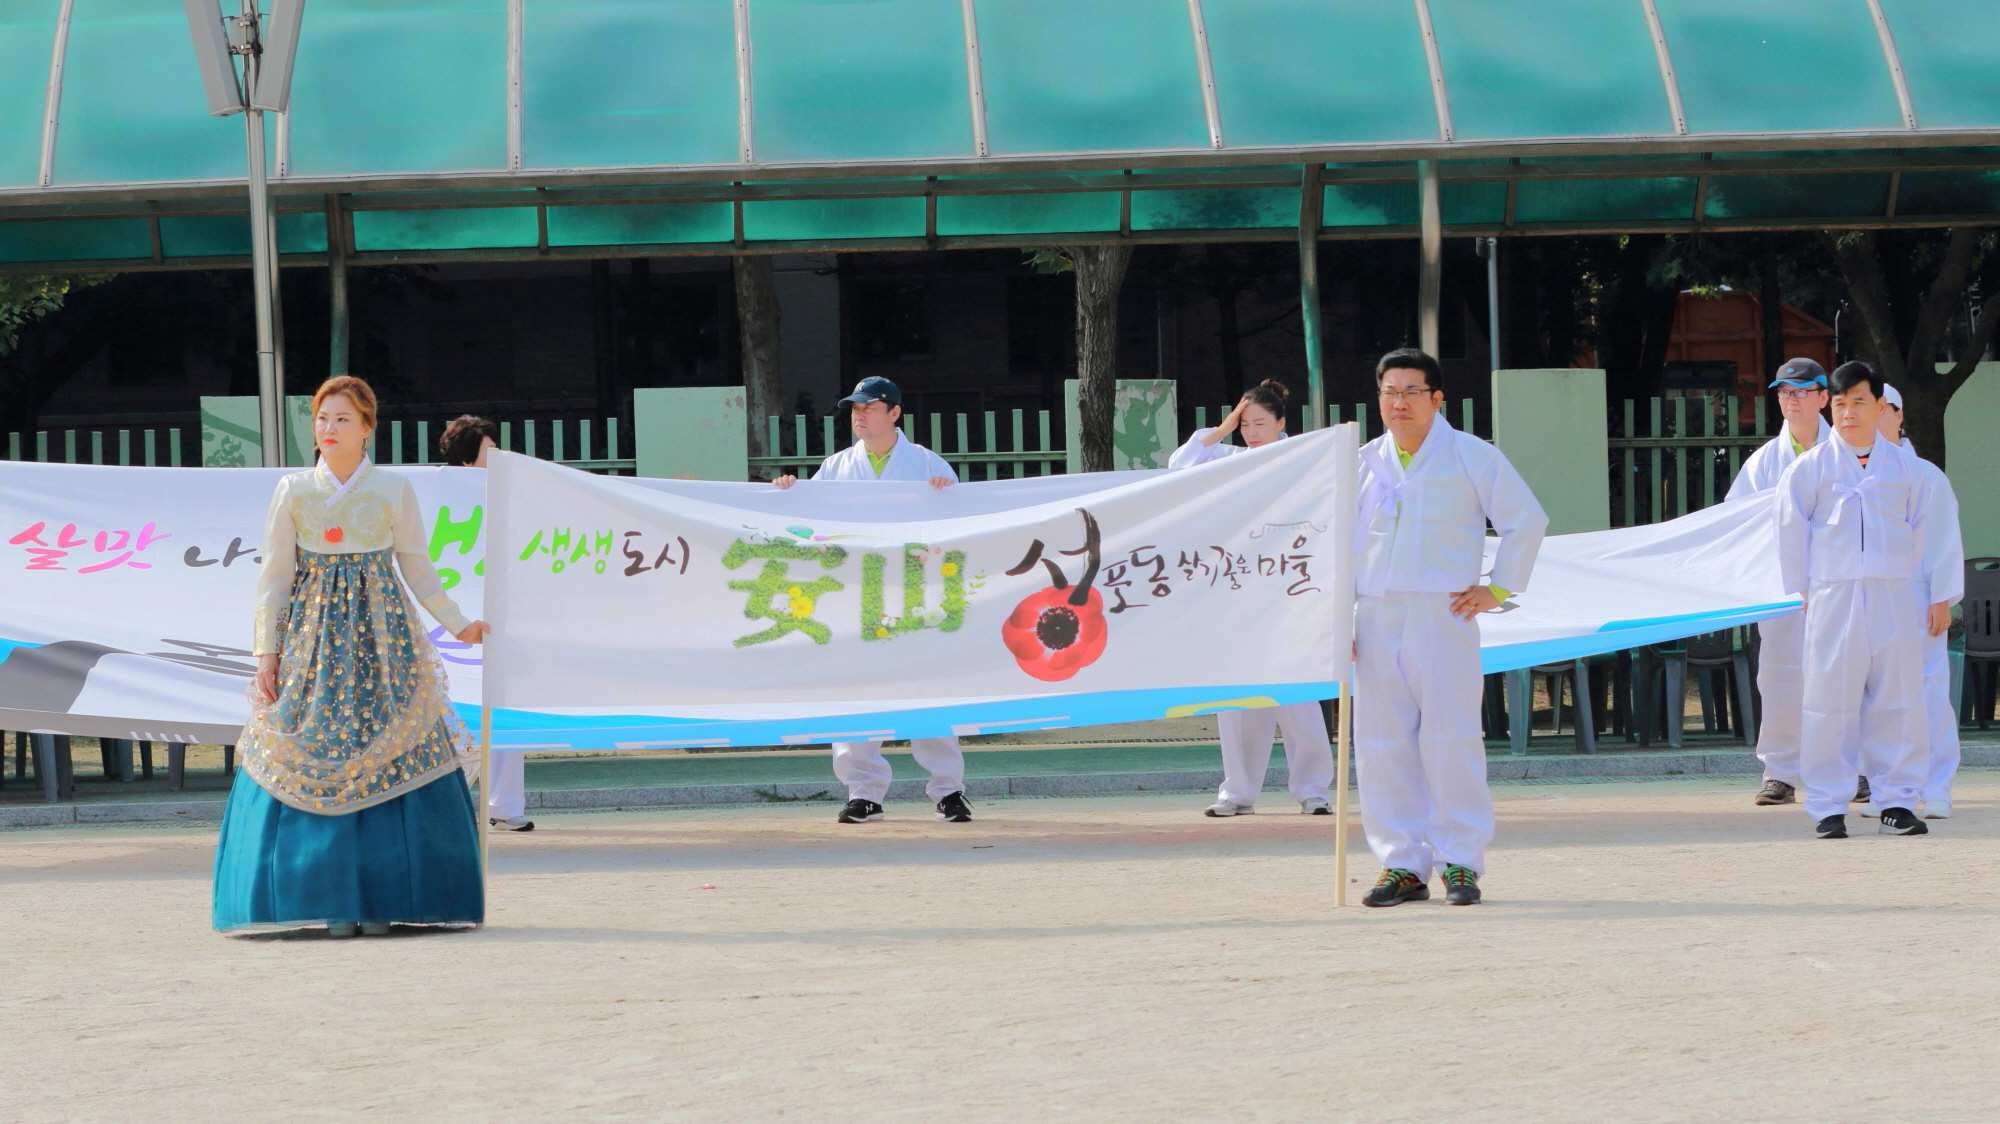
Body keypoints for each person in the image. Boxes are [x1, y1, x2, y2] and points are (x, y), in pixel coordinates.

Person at [213, 376, 491, 937]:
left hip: (385, 641)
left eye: (342, 419)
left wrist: (459, 624)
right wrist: (267, 654)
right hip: (313, 643)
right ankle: (329, 899)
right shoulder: (294, 490)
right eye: (321, 419)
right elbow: (274, 578)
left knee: (389, 744)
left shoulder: (392, 489)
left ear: (368, 427)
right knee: (316, 745)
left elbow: (416, 567)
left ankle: (385, 898)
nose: (328, 429)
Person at [1353, 349, 1547, 907]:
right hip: (1374, 613)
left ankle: (1459, 861)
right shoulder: (1363, 462)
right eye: (1390, 391)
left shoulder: (1470, 454)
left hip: (1445, 612)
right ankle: (1401, 864)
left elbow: (1525, 519)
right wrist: (1338, 618)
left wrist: (1498, 587)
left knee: (1451, 737)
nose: (1399, 402)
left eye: (1412, 391)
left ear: (1437, 399)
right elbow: (1337, 543)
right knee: (1380, 742)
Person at [773, 376, 972, 825]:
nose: (859, 415)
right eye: (854, 409)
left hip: (915, 593)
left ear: (895, 413)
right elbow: (811, 523)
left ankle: (948, 791)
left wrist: (946, 495)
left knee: (929, 692)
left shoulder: (926, 463)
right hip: (856, 593)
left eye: (869, 407)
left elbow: (960, 527)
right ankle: (863, 792)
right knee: (855, 692)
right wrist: (789, 490)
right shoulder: (837, 466)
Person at [1776, 362, 1946, 839]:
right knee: (1830, 700)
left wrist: (1894, 572)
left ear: (1879, 406)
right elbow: (1791, 534)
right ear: (1832, 406)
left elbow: (1919, 530)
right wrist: (1808, 591)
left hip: (1892, 593)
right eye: (1841, 403)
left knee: (1899, 698)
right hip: (1833, 594)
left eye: (1860, 402)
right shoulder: (1808, 468)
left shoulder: (1908, 469)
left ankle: (1896, 800)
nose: (1849, 412)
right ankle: (1828, 804)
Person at [1166, 379, 1335, 817]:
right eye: (1245, 424)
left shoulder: (1303, 456)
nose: (1252, 432)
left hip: (1289, 585)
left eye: (1261, 423)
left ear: (1282, 422)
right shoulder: (1226, 458)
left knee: (1297, 693)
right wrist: (1222, 429)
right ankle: (1237, 792)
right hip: (1236, 586)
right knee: (1238, 693)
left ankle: (1313, 789)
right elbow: (1179, 466)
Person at [1724, 359, 1841, 808]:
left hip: (1839, 583)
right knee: (1779, 678)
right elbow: (1738, 520)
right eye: (1783, 392)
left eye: (1801, 391)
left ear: (1822, 397)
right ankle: (1780, 773)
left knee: (1847, 676)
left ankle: (1855, 769)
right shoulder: (1763, 462)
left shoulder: (1848, 450)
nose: (1791, 400)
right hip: (1782, 587)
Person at [438, 414, 532, 832]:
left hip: (497, 621)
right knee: (450, 713)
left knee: (505, 707)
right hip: (449, 623)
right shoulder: (433, 496)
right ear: (465, 464)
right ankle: (448, 803)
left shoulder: (513, 497)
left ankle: (505, 805)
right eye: (489, 454)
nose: (499, 460)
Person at [1875, 385, 1964, 818]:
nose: (1873, 417)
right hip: (1870, 601)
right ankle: (1888, 791)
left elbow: (1944, 540)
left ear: (1898, 414)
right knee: (1874, 698)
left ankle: (1937, 787)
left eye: (1881, 409)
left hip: (1917, 599)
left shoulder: (1926, 474)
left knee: (1927, 691)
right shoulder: (1854, 474)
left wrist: (1942, 597)